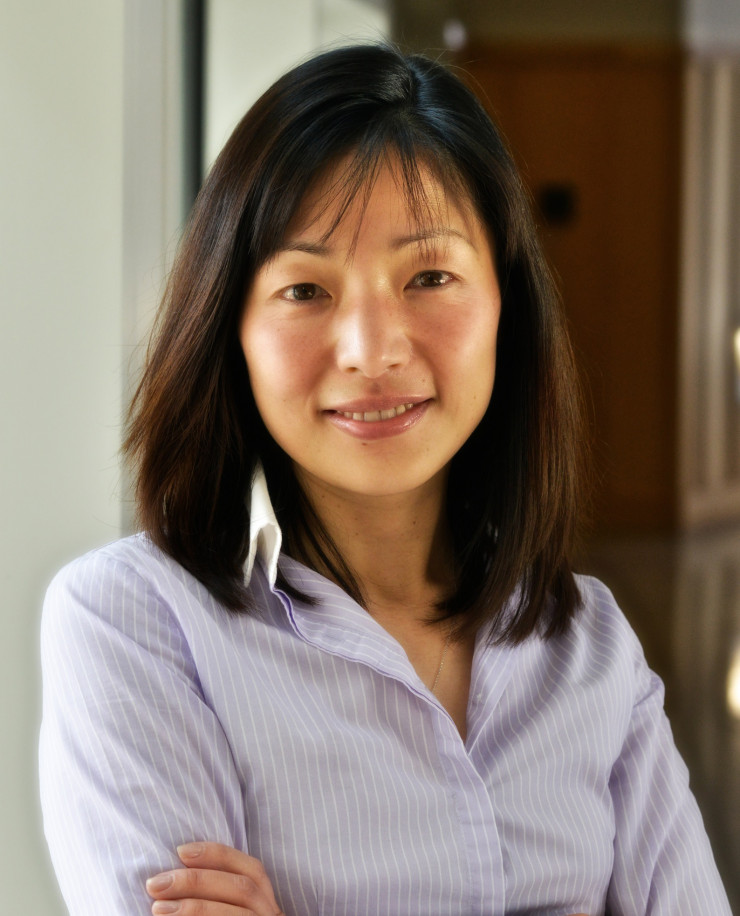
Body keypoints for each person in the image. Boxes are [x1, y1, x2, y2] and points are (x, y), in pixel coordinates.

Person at [39, 43, 731, 916]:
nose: (372, 351)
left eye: (430, 277)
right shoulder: (133, 626)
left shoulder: (588, 645)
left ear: (505, 305)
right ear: (230, 325)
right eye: (306, 290)